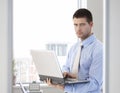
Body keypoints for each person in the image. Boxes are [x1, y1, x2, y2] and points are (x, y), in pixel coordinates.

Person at [46, 8, 103, 93]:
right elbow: (67, 67)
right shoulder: (74, 48)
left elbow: (95, 84)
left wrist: (65, 88)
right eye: (75, 25)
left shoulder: (99, 49)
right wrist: (64, 75)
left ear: (91, 25)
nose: (78, 29)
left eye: (82, 24)